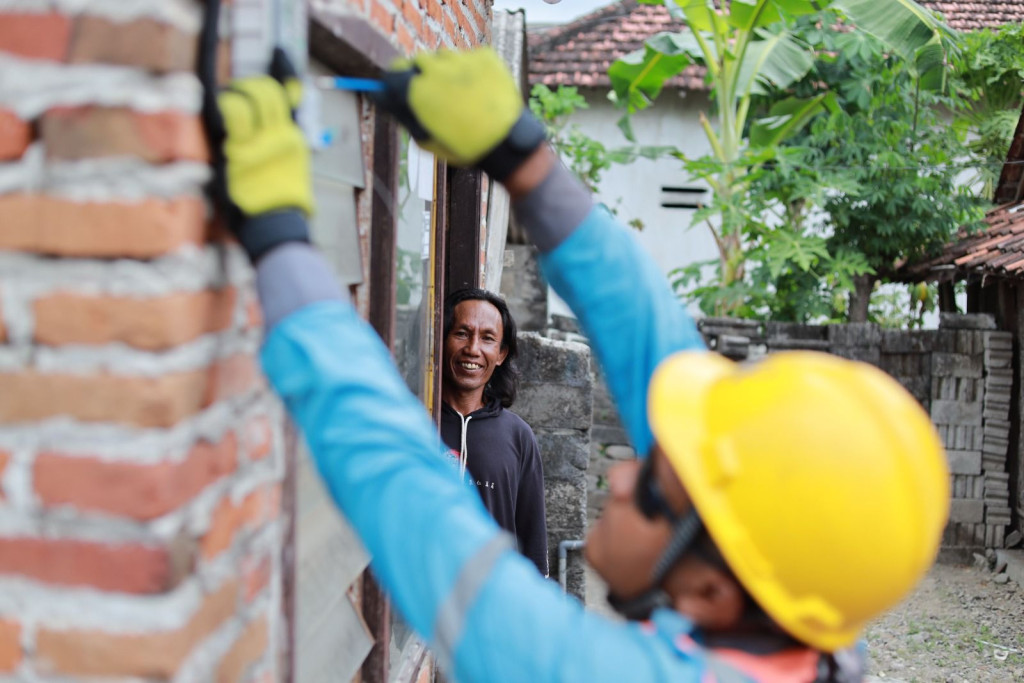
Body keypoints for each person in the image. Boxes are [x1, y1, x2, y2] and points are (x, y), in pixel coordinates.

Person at [207, 48, 950, 682]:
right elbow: (653, 342)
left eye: (651, 488)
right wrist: (523, 158)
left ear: (712, 593)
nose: (619, 478)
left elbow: (411, 497)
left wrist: (278, 238)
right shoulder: (799, 615)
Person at [440, 288, 548, 576]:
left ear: (501, 354)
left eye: (487, 338)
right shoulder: (416, 422)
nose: (473, 349)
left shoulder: (518, 436)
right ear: (441, 339)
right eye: (461, 333)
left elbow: (533, 541)